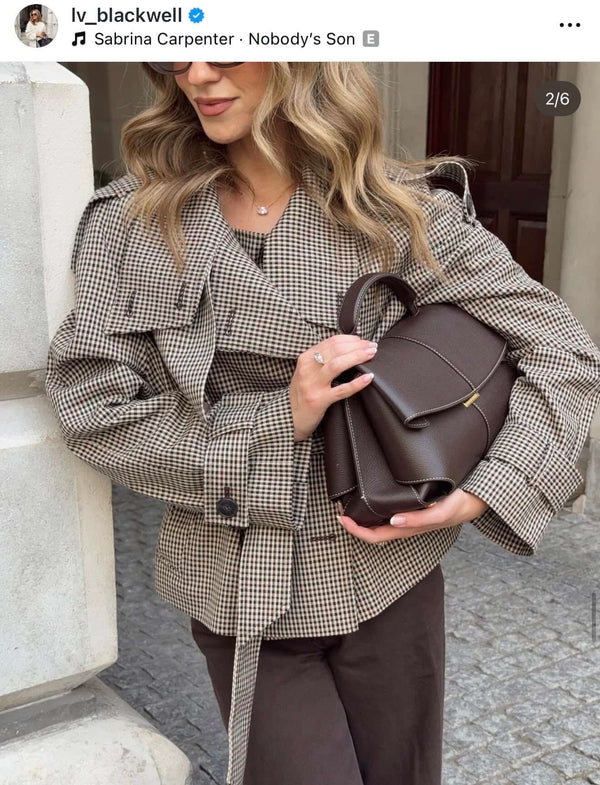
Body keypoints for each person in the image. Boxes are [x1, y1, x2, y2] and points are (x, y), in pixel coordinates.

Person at [44, 62, 600, 785]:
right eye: (179, 51)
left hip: (388, 575)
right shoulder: (135, 222)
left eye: (227, 43)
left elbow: (564, 349)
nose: (197, 73)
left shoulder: (401, 212)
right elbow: (93, 409)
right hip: (237, 582)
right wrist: (284, 416)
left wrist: (489, 488)